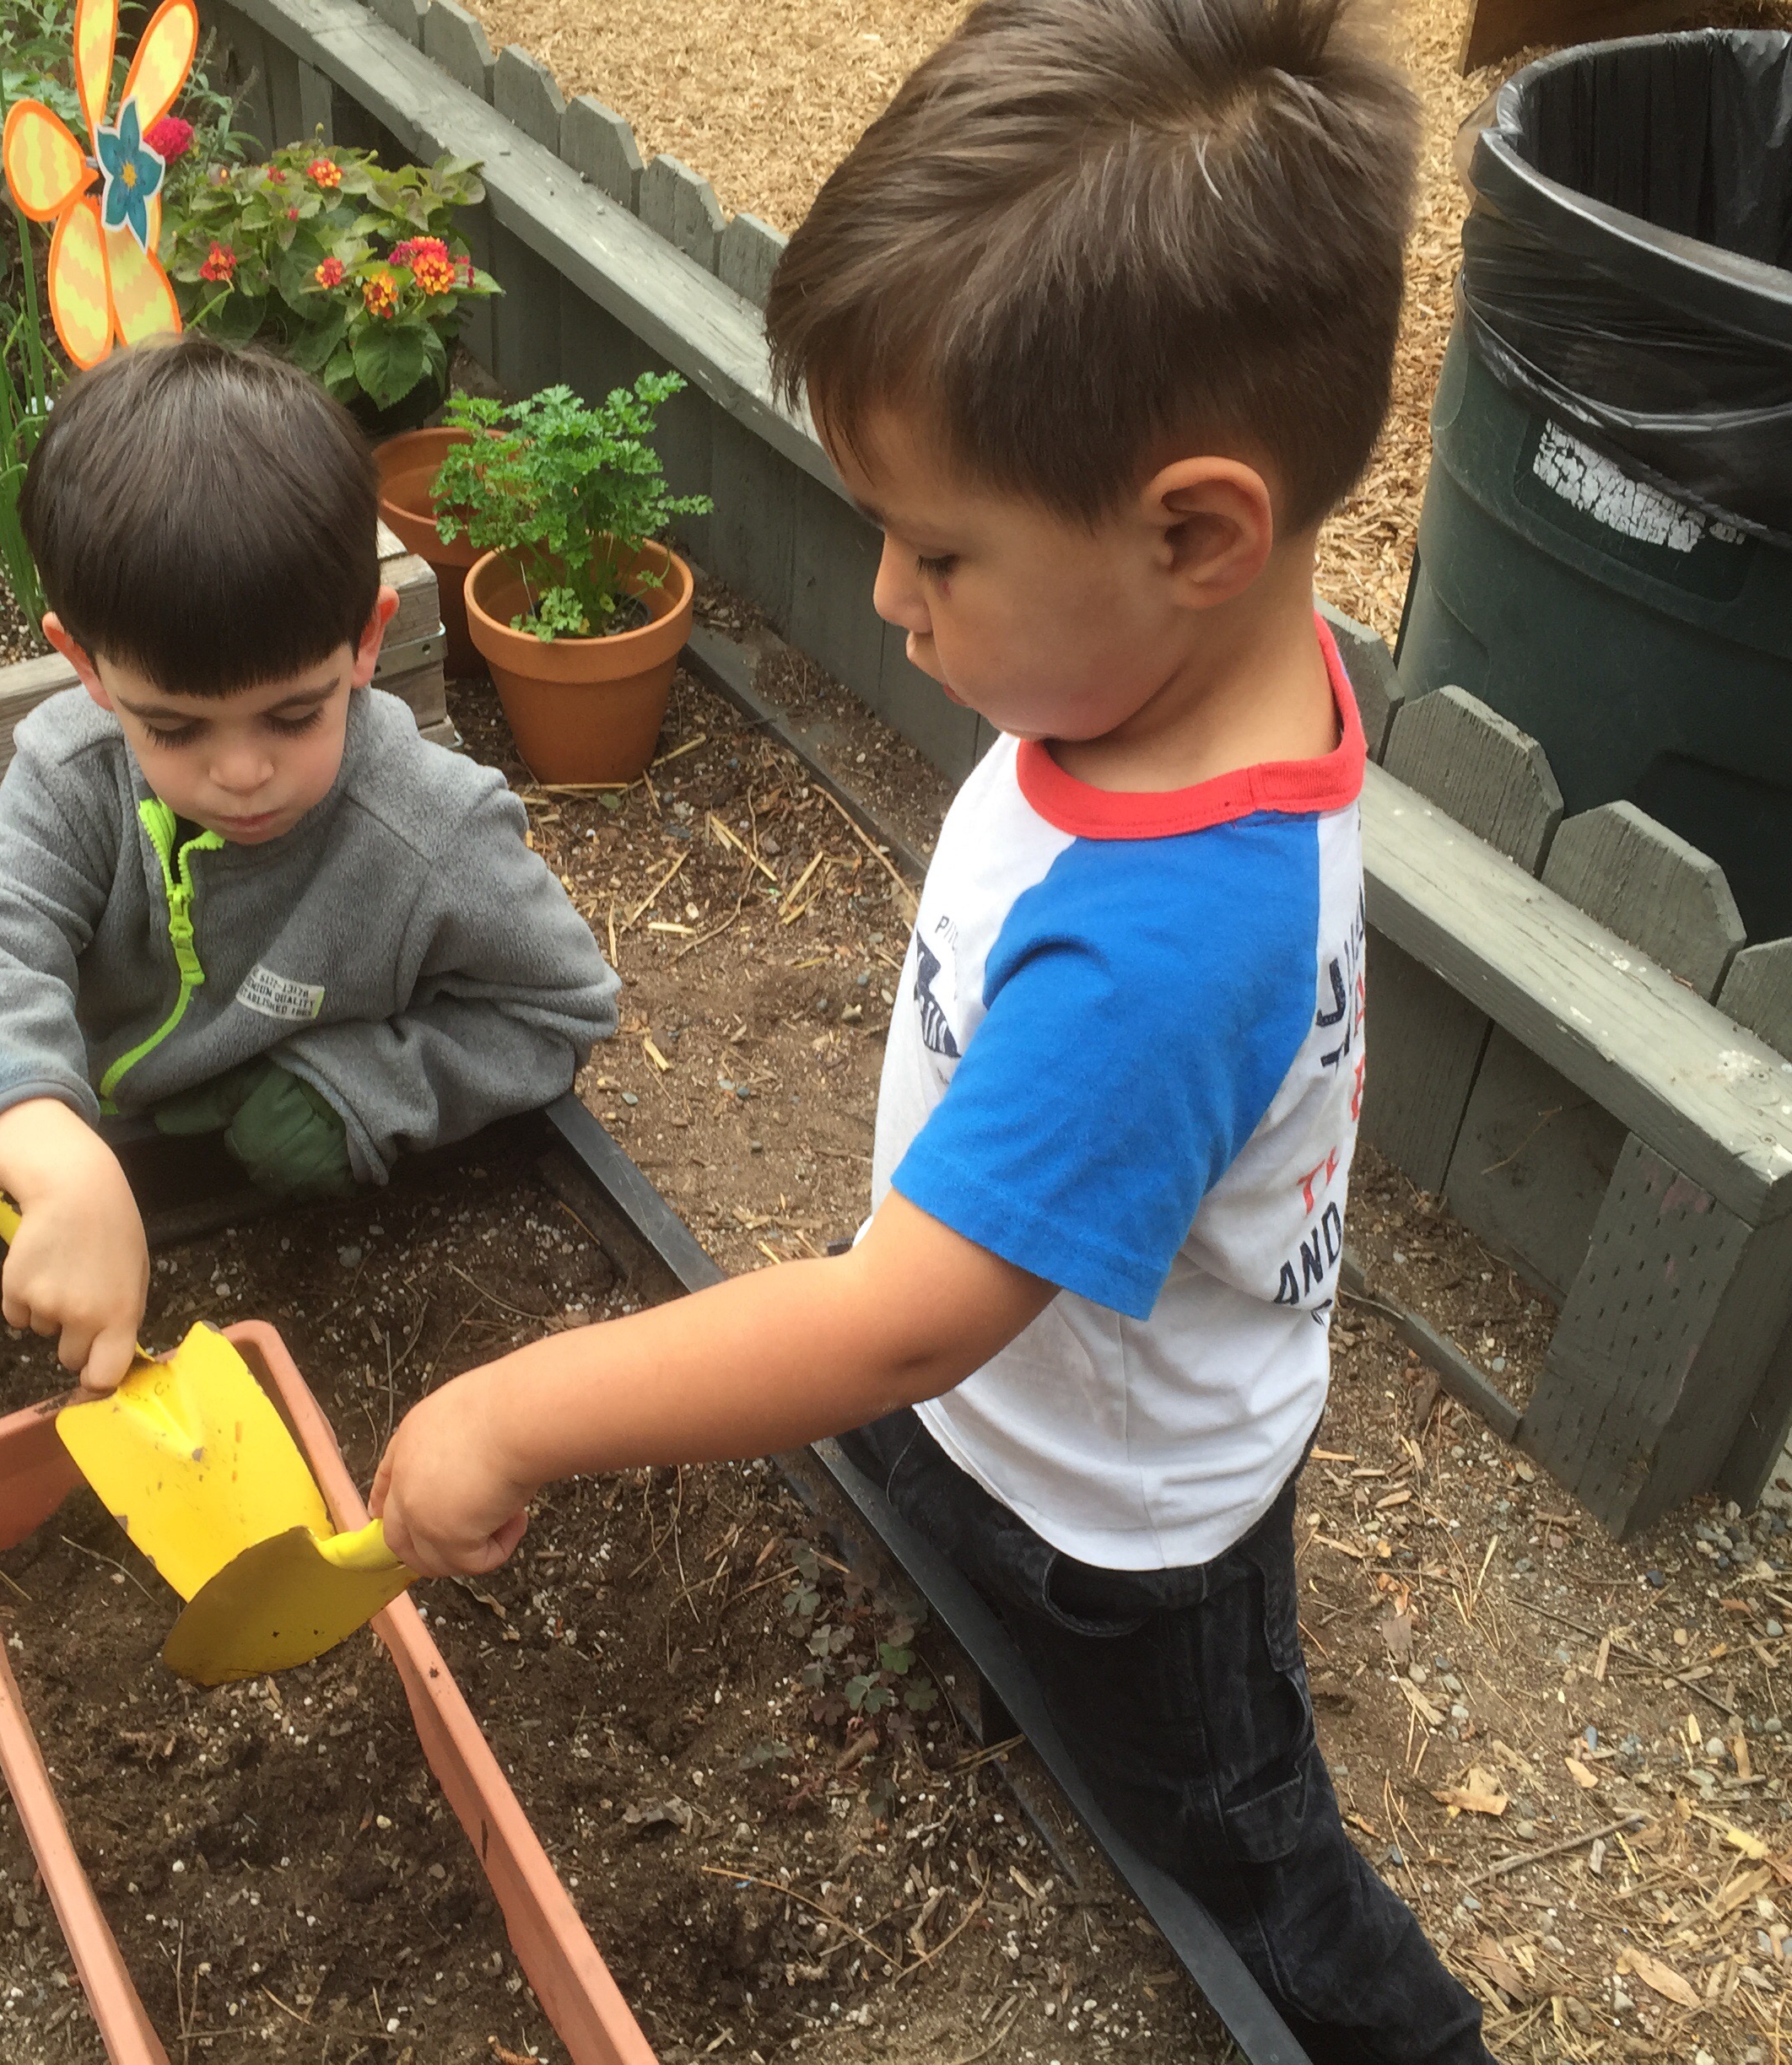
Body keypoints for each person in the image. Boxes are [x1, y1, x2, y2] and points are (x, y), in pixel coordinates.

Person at [366, 0, 1492, 2055]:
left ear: (1197, 532)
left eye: (940, 548)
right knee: (942, 1625)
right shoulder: (1162, 682)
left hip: (1111, 1536)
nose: (886, 593)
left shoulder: (1165, 947)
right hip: (1004, 1390)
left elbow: (894, 1322)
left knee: (1244, 1862)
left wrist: (513, 1410)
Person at [0, 337, 618, 1392]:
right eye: (174, 729)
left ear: (366, 640)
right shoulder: (79, 769)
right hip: (83, 1073)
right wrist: (48, 1147)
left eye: (293, 716)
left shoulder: (433, 831)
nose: (242, 774)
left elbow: (559, 1009)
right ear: (87, 668)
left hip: (234, 1111)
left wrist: (359, 1092)